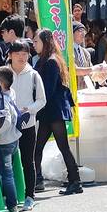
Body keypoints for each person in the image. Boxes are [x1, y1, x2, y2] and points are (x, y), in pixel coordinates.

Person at [33, 29, 84, 197]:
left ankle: (73, 180)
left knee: (58, 146)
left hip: (53, 110)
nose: (34, 45)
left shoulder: (50, 61)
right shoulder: (48, 60)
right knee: (44, 147)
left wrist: (35, 104)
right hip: (51, 111)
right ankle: (41, 179)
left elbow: (47, 89)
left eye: (36, 42)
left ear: (44, 42)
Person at [6, 40, 44, 210]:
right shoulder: (4, 73)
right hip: (6, 125)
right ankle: (10, 199)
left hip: (28, 124)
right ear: (10, 55)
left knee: (28, 160)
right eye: (18, 54)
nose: (22, 57)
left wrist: (29, 109)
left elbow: (42, 100)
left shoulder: (34, 74)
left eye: (25, 54)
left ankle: (30, 196)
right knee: (7, 162)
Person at [0, 67, 22, 212]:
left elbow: (6, 121)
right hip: (13, 139)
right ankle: (10, 200)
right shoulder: (11, 93)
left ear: (1, 84)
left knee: (6, 173)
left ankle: (11, 203)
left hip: (4, 141)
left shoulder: (2, 100)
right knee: (7, 171)